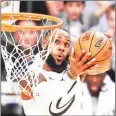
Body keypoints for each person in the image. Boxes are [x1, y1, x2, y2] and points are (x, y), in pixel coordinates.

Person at [20, 28, 97, 115]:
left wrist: (105, 49)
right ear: (44, 44)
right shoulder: (30, 77)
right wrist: (72, 76)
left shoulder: (75, 69)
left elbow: (98, 62)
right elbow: (54, 104)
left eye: (67, 44)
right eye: (56, 41)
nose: (62, 48)